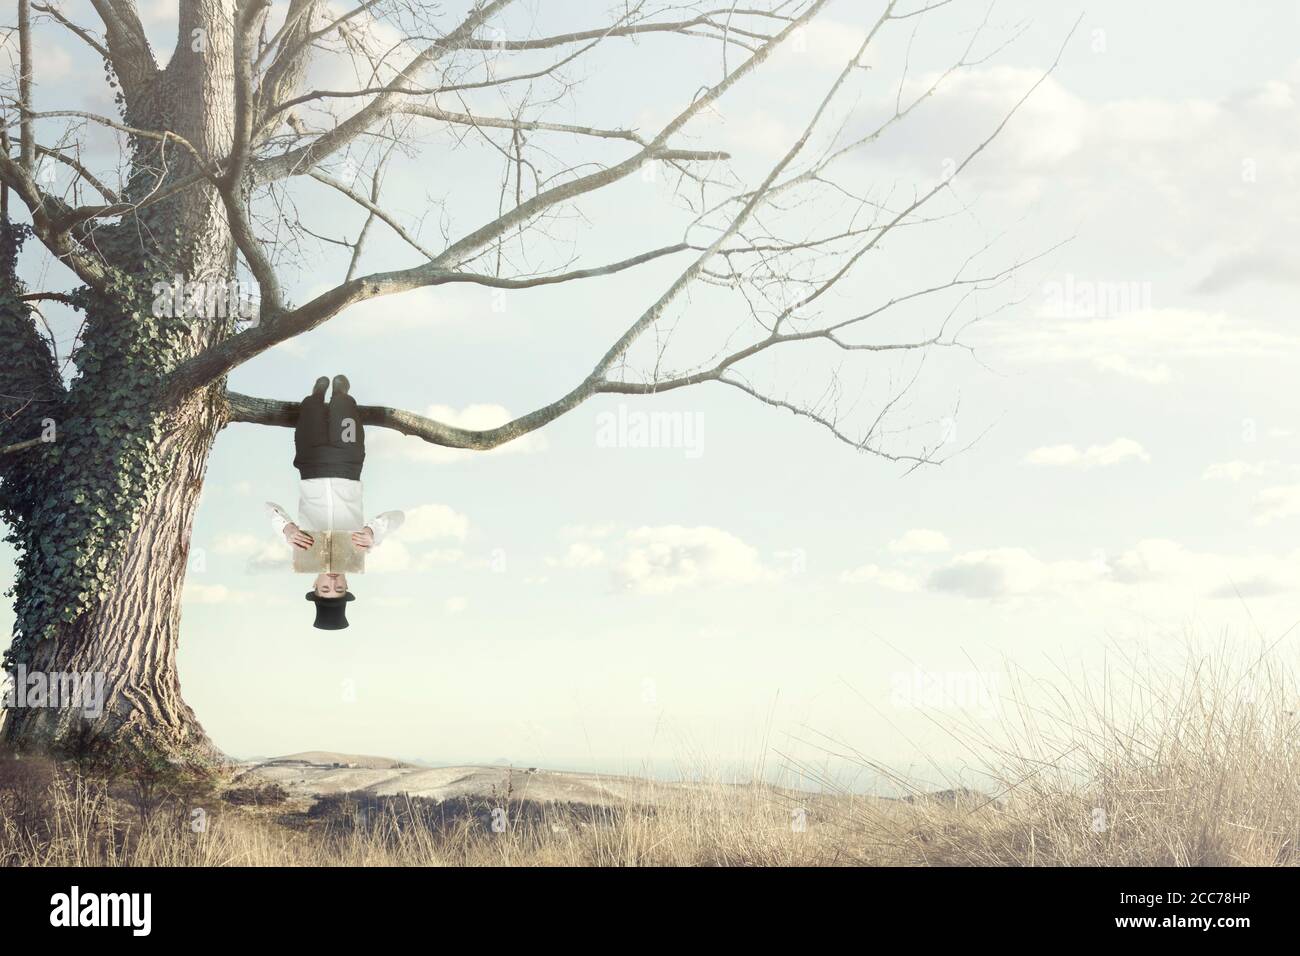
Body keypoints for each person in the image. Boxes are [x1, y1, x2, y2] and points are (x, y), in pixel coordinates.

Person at [265, 375, 404, 630]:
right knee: (343, 408)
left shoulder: (297, 550)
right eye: (338, 588)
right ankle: (341, 391)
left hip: (310, 463)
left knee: (311, 410)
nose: (332, 581)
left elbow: (269, 507)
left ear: (314, 585)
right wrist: (373, 531)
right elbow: (398, 516)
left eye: (326, 588)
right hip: (348, 463)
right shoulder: (362, 548)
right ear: (347, 586)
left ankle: (318, 393)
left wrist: (288, 529)